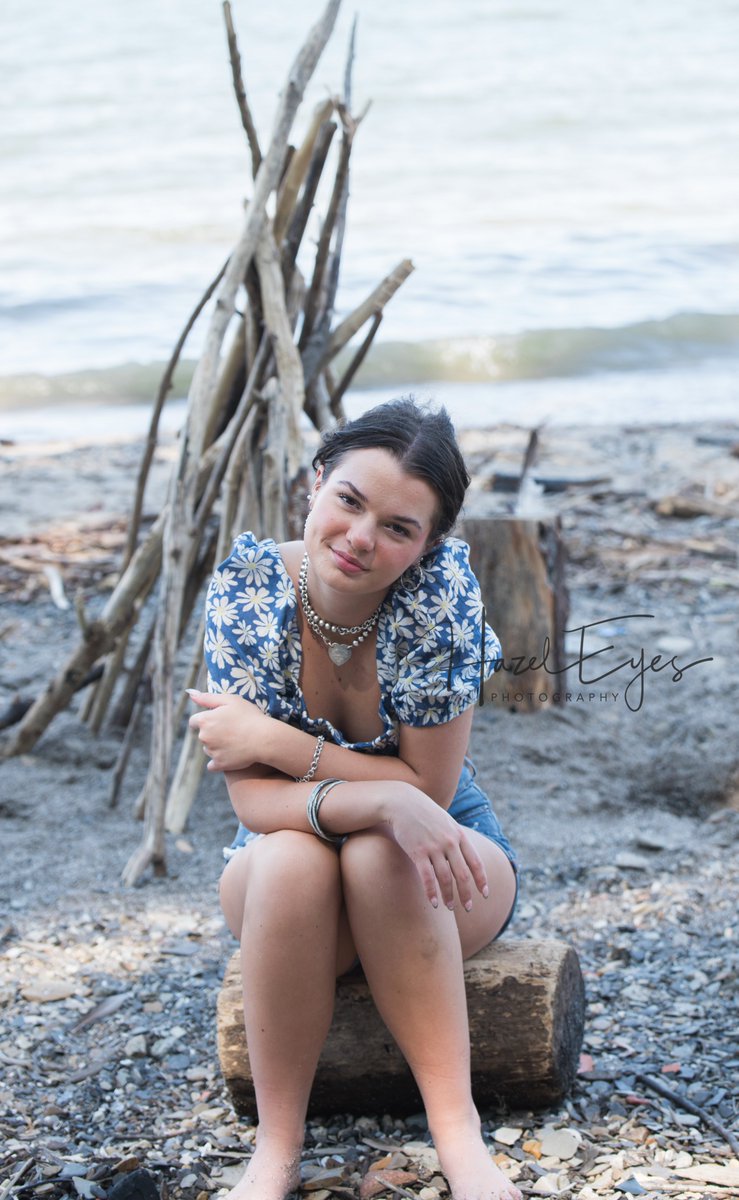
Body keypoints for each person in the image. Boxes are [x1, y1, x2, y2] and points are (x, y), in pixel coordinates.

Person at [188, 398, 521, 1200]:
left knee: (384, 853)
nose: (362, 537)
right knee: (300, 858)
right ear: (315, 484)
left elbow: (430, 797)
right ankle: (275, 1151)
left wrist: (271, 742)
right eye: (348, 500)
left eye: (399, 527)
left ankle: (458, 1137)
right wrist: (379, 798)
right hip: (279, 872)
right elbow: (254, 811)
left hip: (439, 856)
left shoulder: (437, 601)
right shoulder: (248, 592)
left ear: (428, 545)